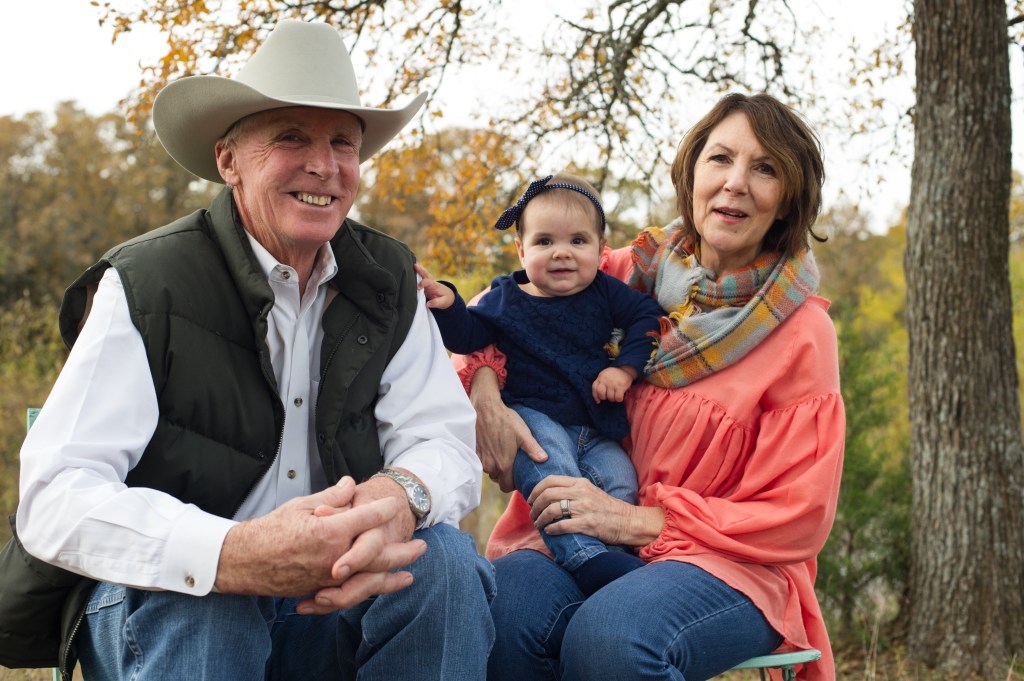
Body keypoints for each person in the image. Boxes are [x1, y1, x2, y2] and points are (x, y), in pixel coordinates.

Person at [13, 20, 494, 680]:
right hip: (167, 608)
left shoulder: (388, 280)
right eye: (291, 137)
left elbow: (445, 440)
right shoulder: (147, 283)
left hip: (329, 595)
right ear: (228, 160)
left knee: (442, 563)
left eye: (342, 142)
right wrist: (229, 552)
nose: (324, 165)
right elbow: (55, 494)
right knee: (210, 598)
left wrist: (400, 496)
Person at [455, 93, 844, 680]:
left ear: (789, 198)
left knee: (611, 637)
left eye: (764, 168)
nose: (736, 183)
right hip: (578, 536)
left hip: (728, 563)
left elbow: (798, 514)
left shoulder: (801, 332)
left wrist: (631, 520)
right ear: (692, 173)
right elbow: (492, 309)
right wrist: (486, 393)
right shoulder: (620, 274)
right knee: (504, 611)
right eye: (720, 159)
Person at [415, 173, 664, 596]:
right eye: (544, 241)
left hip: (594, 426)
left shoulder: (605, 292)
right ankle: (583, 558)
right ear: (521, 249)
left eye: (578, 241)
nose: (561, 253)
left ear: (600, 249)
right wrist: (450, 305)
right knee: (552, 470)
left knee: (620, 478)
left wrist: (624, 370)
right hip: (533, 418)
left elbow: (647, 317)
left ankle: (614, 556)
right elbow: (470, 336)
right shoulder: (506, 297)